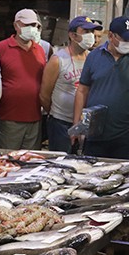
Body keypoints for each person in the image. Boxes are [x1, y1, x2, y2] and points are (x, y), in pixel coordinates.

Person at [72, 16, 129, 160]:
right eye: (125, 39)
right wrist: (77, 125)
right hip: (94, 134)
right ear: (111, 36)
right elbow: (83, 90)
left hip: (126, 134)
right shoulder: (94, 57)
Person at [40, 16, 100, 153]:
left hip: (85, 123)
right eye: (85, 32)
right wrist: (56, 113)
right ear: (73, 35)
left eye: (91, 32)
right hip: (61, 124)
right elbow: (44, 95)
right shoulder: (58, 60)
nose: (90, 36)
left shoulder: (92, 57)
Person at [0, 9, 46, 150]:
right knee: (7, 159)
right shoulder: (1, 49)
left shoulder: (40, 50)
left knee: (31, 160)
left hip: (34, 117)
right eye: (27, 25)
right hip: (9, 118)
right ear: (16, 26)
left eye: (35, 25)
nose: (32, 29)